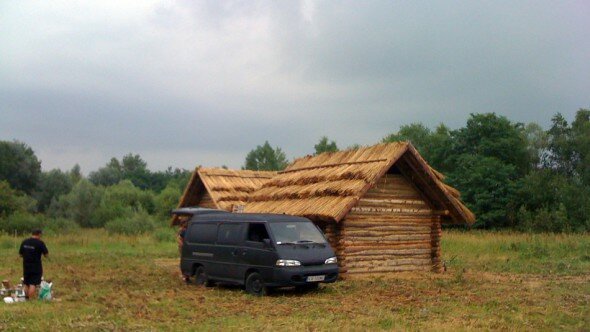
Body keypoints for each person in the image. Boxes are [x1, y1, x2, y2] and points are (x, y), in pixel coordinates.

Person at [19, 229, 49, 300]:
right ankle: (30, 299)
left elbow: (20, 254)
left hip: (26, 265)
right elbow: (46, 254)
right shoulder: (40, 243)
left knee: (26, 283)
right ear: (39, 234)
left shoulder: (25, 242)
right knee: (33, 283)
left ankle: (26, 298)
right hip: (36, 266)